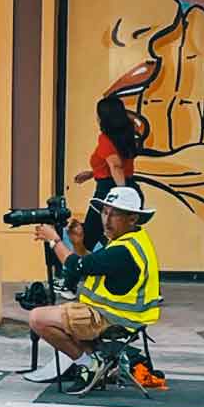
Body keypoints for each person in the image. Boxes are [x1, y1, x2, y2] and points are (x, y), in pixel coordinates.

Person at [26, 184, 162, 389]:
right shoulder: (130, 240)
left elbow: (76, 266)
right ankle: (97, 362)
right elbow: (95, 266)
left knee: (38, 318)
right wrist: (78, 245)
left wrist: (54, 240)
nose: (106, 220)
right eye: (104, 213)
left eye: (114, 215)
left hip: (113, 318)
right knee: (58, 315)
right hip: (119, 315)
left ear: (132, 219)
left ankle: (89, 364)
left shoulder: (123, 250)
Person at [74, 96, 142, 250]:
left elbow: (116, 166)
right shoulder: (127, 133)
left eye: (98, 114)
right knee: (116, 235)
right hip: (128, 184)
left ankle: (80, 269)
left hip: (109, 190)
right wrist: (92, 173)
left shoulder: (106, 138)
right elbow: (117, 164)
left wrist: (121, 196)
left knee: (89, 236)